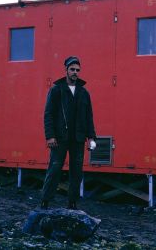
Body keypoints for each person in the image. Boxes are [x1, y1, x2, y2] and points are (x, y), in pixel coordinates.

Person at [40, 56, 96, 210]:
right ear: (66, 70)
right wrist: (50, 136)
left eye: (78, 70)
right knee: (55, 168)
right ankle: (45, 201)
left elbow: (88, 116)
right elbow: (48, 114)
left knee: (77, 171)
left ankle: (72, 203)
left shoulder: (84, 92)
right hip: (59, 138)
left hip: (78, 138)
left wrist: (91, 138)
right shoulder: (56, 90)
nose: (75, 72)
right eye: (72, 69)